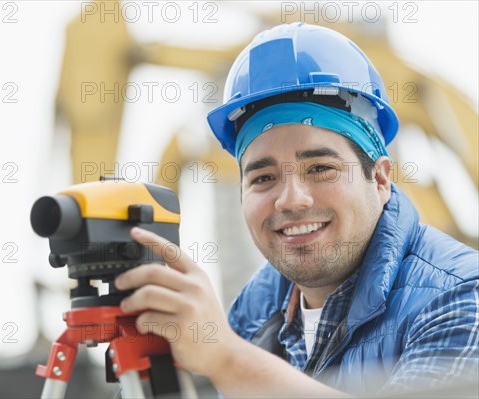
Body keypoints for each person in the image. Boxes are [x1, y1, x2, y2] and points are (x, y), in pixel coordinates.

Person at [114, 22, 479, 397]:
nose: (291, 199)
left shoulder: (461, 297)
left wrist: (227, 359)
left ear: (381, 179)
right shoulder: (261, 303)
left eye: (321, 169)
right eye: (263, 178)